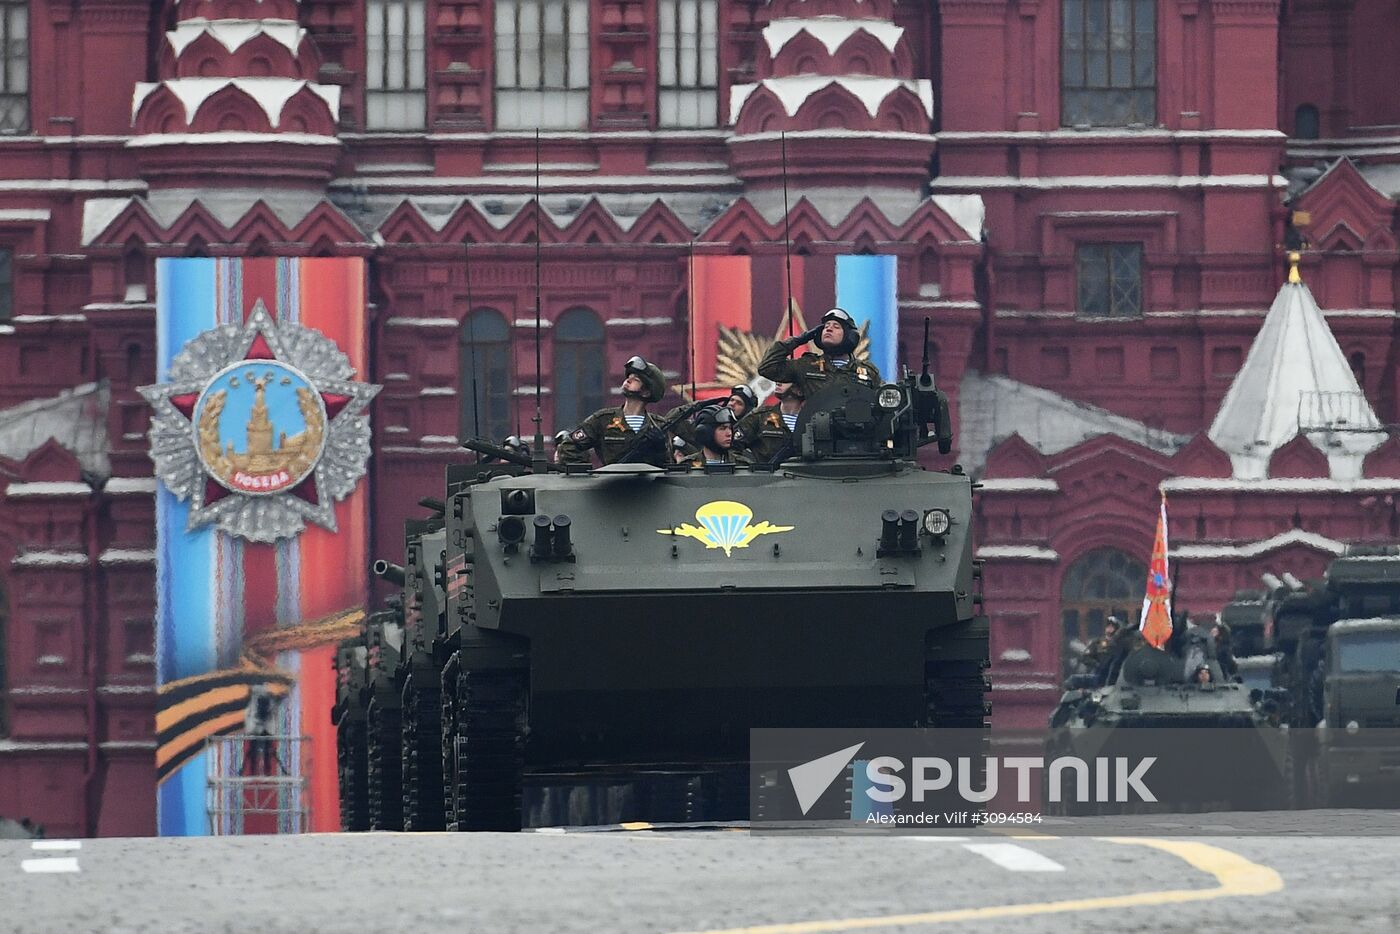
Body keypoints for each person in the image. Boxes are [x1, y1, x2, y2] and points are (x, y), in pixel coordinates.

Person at [556, 356, 671, 467]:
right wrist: (589, 477)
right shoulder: (603, 420)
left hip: (649, 486)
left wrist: (660, 449)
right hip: (610, 485)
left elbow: (670, 467)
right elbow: (568, 447)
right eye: (628, 377)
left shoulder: (658, 426)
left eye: (635, 380)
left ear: (646, 392)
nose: (628, 380)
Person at [757, 307, 881, 399]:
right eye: (826, 326)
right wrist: (798, 340)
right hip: (817, 431)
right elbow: (767, 368)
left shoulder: (868, 371)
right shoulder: (807, 366)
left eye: (836, 326)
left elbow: (883, 402)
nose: (828, 328)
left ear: (850, 336)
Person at [735, 381, 804, 464]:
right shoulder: (760, 416)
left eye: (786, 381)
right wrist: (750, 468)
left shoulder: (812, 420)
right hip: (766, 475)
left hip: (803, 475)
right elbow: (733, 446)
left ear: (799, 389)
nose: (778, 382)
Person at [242, 684, 282, 776]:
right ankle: (255, 771)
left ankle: (265, 770)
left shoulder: (267, 700)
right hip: (256, 728)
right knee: (254, 751)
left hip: (265, 727)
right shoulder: (253, 702)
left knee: (266, 750)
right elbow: (250, 714)